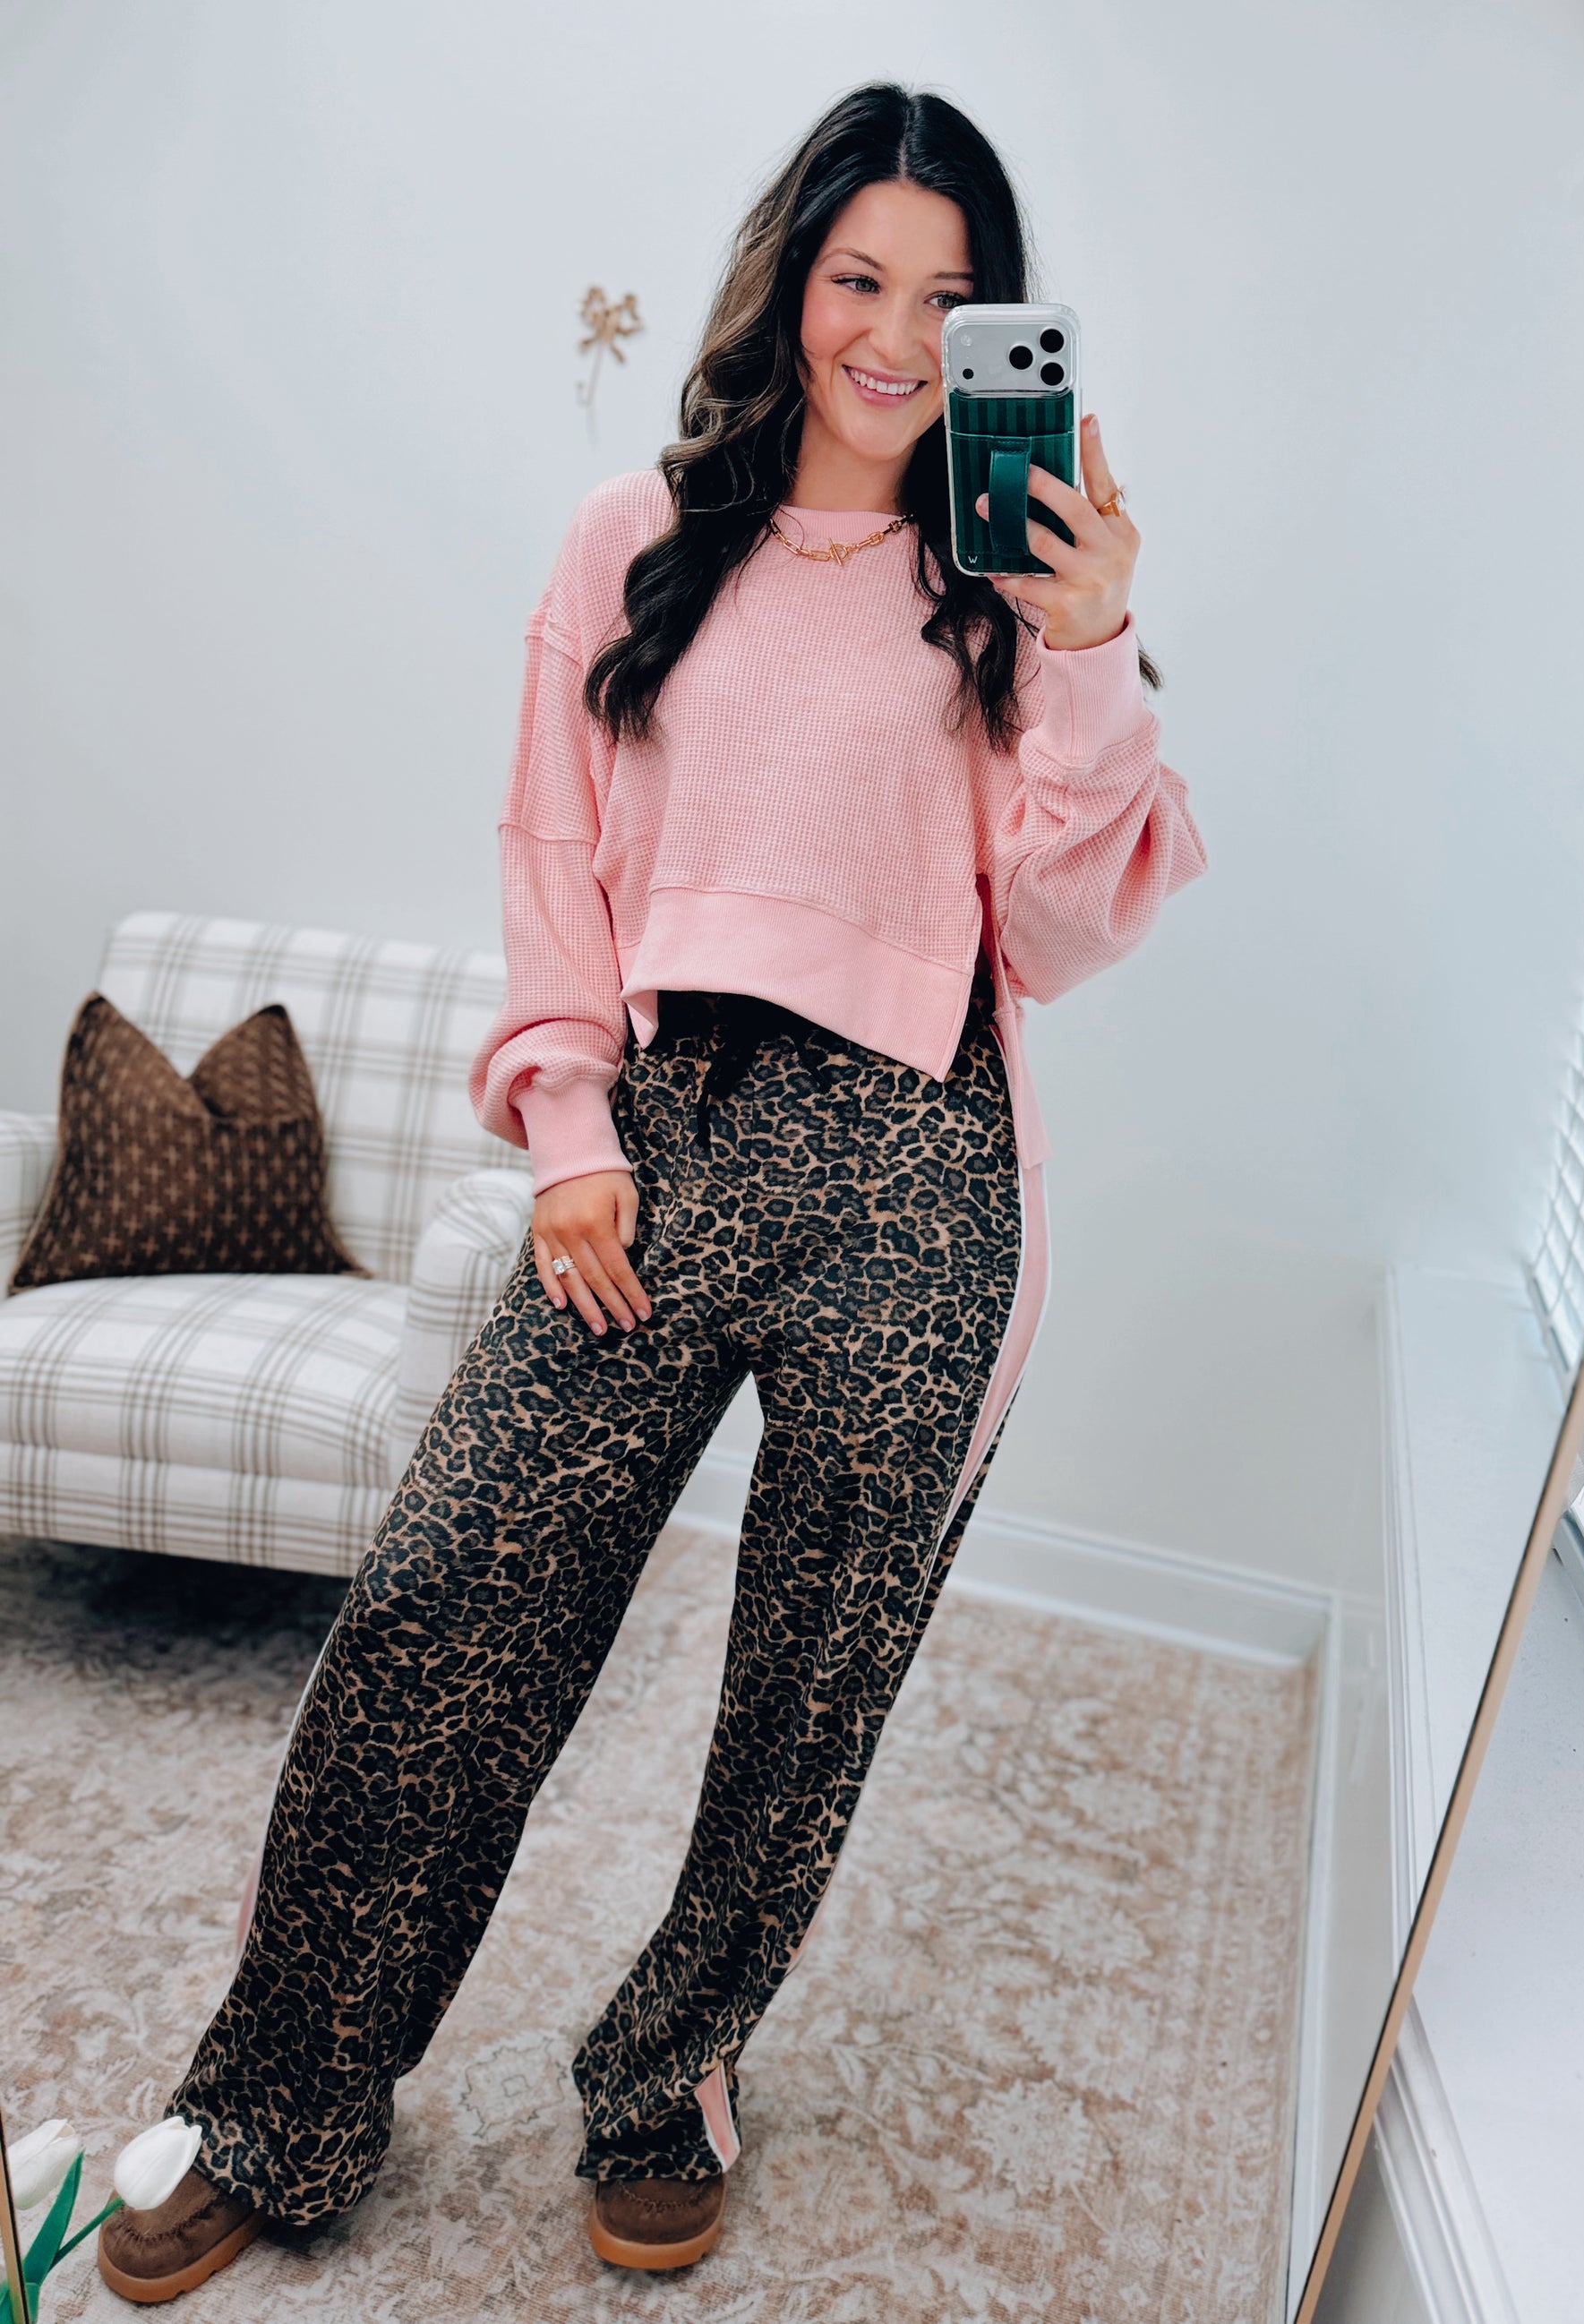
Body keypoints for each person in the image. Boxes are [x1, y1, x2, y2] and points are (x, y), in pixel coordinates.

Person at [96, 80, 1205, 2302]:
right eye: (859, 277)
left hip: (919, 1158)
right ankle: (281, 2088)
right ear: (790, 282)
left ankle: (665, 2070)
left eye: (951, 300)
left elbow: (1067, 933)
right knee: (444, 1594)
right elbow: (553, 863)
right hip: (666, 1128)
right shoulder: (634, 538)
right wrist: (572, 1135)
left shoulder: (1011, 585)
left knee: (810, 1678)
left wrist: (1089, 647)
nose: (894, 337)